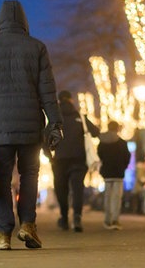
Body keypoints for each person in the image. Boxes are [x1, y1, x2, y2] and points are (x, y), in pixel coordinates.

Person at [0, 0, 63, 250]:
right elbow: (48, 91)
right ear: (24, 21)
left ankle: (3, 235)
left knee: (2, 179)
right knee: (30, 175)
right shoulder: (37, 47)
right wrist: (55, 122)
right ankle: (28, 224)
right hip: (30, 123)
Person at [51, 90, 99, 232]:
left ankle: (64, 217)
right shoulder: (81, 117)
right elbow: (96, 132)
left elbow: (44, 137)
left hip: (59, 160)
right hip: (79, 159)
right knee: (77, 188)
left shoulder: (54, 118)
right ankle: (77, 217)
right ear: (71, 100)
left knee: (61, 189)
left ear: (59, 101)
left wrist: (50, 156)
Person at [97, 121, 131, 230]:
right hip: (118, 173)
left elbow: (99, 156)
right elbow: (127, 157)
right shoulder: (122, 143)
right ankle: (115, 220)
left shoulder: (102, 142)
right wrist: (123, 167)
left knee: (107, 196)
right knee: (116, 197)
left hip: (107, 173)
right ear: (117, 129)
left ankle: (107, 220)